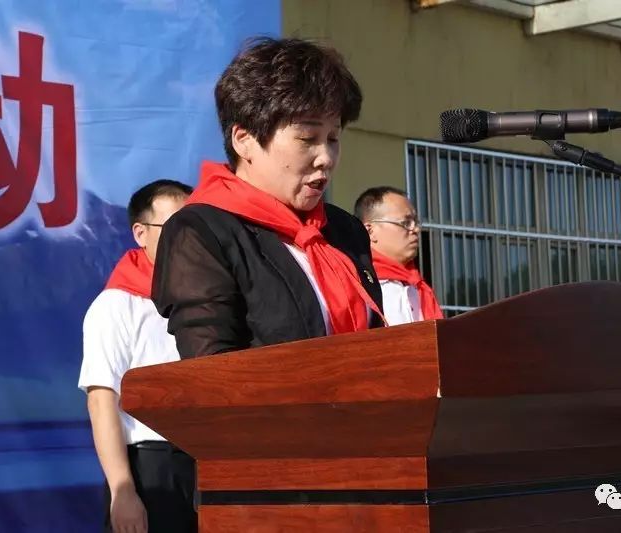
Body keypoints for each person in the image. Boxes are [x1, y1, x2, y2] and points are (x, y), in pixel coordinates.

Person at [153, 37, 384, 359]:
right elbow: (210, 369)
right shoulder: (200, 231)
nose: (326, 158)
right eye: (307, 138)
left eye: (333, 138)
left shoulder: (345, 230)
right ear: (244, 140)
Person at [78, 180, 196, 533]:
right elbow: (102, 401)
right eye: (173, 227)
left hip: (206, 463)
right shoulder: (115, 305)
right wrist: (123, 490)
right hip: (152, 468)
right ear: (141, 233)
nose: (187, 238)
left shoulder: (207, 301)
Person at [354, 186, 444, 325]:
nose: (416, 229)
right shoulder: (358, 286)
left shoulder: (417, 286)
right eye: (406, 223)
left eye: (416, 222)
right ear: (370, 231)